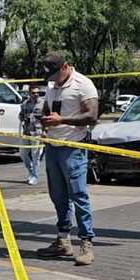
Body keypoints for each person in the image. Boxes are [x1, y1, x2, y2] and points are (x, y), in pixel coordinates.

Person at [35, 52, 99, 266]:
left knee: (78, 195)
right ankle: (63, 241)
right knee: (58, 196)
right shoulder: (52, 86)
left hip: (73, 148)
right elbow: (47, 108)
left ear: (65, 67)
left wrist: (62, 120)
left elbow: (91, 116)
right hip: (53, 147)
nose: (51, 79)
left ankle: (86, 243)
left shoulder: (83, 84)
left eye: (54, 74)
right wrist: (45, 123)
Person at [19, 85, 45, 184]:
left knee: (35, 155)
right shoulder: (25, 104)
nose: (36, 94)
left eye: (37, 93)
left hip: (37, 132)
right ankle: (31, 171)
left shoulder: (42, 103)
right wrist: (23, 118)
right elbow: (20, 115)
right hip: (26, 131)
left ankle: (35, 175)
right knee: (23, 153)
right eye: (33, 93)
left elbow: (46, 116)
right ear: (29, 93)